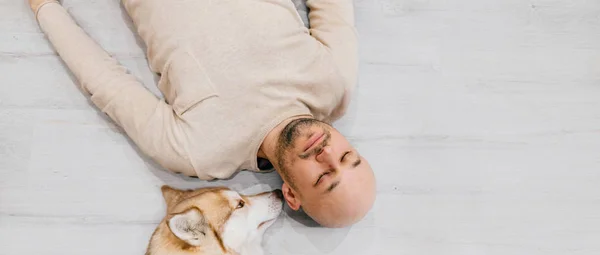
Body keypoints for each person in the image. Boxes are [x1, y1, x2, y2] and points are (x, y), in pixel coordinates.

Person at [27, 0, 376, 227]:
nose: (327, 152)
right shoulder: (335, 83)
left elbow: (106, 83)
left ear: (291, 195)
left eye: (323, 176)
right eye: (348, 156)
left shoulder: (201, 153)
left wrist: (44, 7)